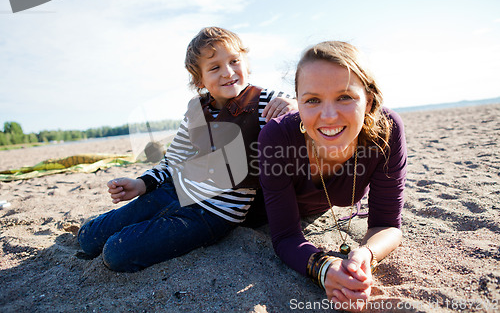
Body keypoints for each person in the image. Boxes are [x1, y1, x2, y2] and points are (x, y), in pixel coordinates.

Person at [77, 26, 296, 272]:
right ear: (199, 80)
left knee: (116, 253)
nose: (228, 72)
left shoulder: (265, 100)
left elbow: (307, 110)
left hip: (212, 213)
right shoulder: (196, 109)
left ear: (246, 62)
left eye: (235, 61)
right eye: (214, 67)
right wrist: (141, 184)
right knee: (88, 238)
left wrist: (293, 103)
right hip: (172, 191)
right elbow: (174, 159)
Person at [258, 41, 407, 311]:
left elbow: (388, 225)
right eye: (313, 100)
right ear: (299, 104)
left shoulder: (387, 132)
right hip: (249, 206)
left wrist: (364, 256)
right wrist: (324, 268)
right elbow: (285, 236)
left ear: (368, 100)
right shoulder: (276, 136)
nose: (328, 116)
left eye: (344, 97)